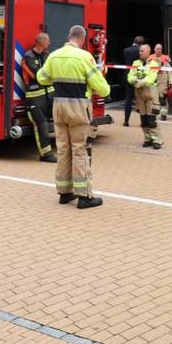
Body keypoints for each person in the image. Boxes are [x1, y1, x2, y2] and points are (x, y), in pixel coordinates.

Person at [37, 25, 111, 209]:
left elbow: (41, 78)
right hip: (78, 108)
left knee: (63, 149)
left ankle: (64, 192)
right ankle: (84, 196)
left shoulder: (54, 55)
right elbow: (103, 89)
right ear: (83, 39)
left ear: (69, 37)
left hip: (59, 108)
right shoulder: (85, 57)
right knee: (80, 150)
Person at [21, 32, 57, 163]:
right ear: (41, 42)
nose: (49, 43)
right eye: (47, 41)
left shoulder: (48, 55)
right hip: (34, 97)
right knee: (41, 124)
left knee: (56, 121)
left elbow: (52, 73)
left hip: (49, 95)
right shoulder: (28, 57)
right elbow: (38, 76)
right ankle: (45, 154)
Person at [127, 43, 162, 149]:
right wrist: (134, 81)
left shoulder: (154, 63)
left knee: (151, 118)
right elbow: (130, 76)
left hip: (150, 92)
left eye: (142, 51)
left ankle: (157, 140)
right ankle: (147, 138)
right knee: (143, 118)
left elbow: (151, 78)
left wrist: (139, 82)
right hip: (139, 92)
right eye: (139, 51)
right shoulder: (135, 63)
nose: (140, 53)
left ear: (148, 52)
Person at [121, 35, 145, 127]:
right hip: (139, 76)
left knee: (128, 98)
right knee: (141, 99)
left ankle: (126, 121)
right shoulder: (140, 52)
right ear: (141, 44)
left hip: (128, 75)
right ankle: (143, 122)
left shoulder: (126, 50)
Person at [153, 43, 172, 121]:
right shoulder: (150, 58)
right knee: (154, 98)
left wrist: (171, 81)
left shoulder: (166, 58)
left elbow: (169, 71)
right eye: (157, 49)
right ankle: (155, 113)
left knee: (163, 99)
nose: (158, 50)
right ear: (154, 49)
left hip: (163, 81)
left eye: (160, 49)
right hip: (153, 81)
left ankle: (163, 115)